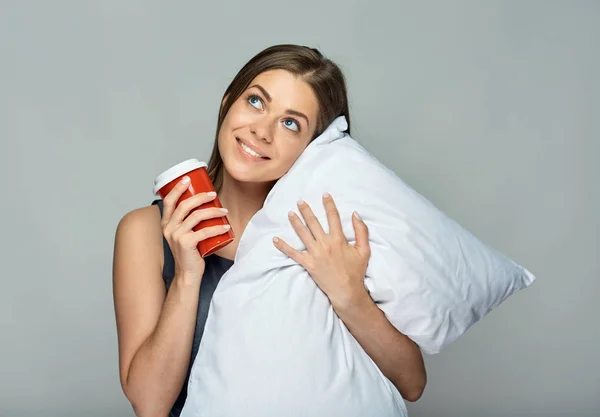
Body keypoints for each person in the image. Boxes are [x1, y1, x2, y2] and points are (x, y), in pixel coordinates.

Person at [112, 44, 427, 417]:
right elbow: (149, 405)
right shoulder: (145, 232)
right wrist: (186, 276)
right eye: (257, 102)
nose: (261, 131)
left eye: (290, 123)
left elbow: (412, 382)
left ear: (314, 148)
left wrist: (348, 294)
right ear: (228, 102)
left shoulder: (326, 235)